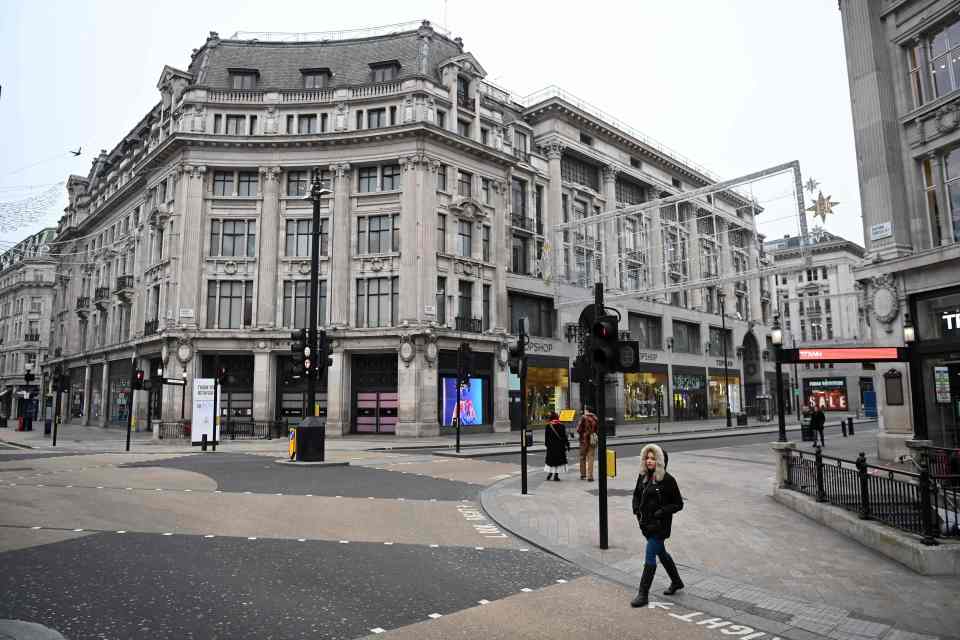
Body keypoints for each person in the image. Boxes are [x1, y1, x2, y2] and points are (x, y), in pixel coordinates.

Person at [630, 443, 684, 608]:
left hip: (660, 527)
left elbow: (679, 504)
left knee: (650, 556)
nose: (649, 461)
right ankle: (676, 582)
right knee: (661, 553)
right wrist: (636, 509)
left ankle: (643, 594)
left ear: (660, 461)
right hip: (646, 525)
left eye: (653, 458)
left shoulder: (667, 480)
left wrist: (662, 511)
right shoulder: (643, 476)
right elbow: (636, 494)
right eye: (647, 458)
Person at [575, 406, 599, 481]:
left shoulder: (583, 418)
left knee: (582, 457)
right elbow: (597, 429)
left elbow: (578, 430)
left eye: (585, 410)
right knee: (591, 458)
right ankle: (590, 476)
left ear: (587, 410)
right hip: (592, 440)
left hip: (584, 440)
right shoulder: (595, 418)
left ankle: (583, 474)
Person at [544, 411, 568, 481]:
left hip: (551, 447)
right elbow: (564, 437)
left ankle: (550, 474)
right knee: (558, 462)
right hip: (560, 447)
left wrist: (548, 446)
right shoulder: (562, 425)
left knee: (551, 461)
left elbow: (546, 439)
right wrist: (566, 444)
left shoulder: (548, 426)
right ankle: (556, 476)